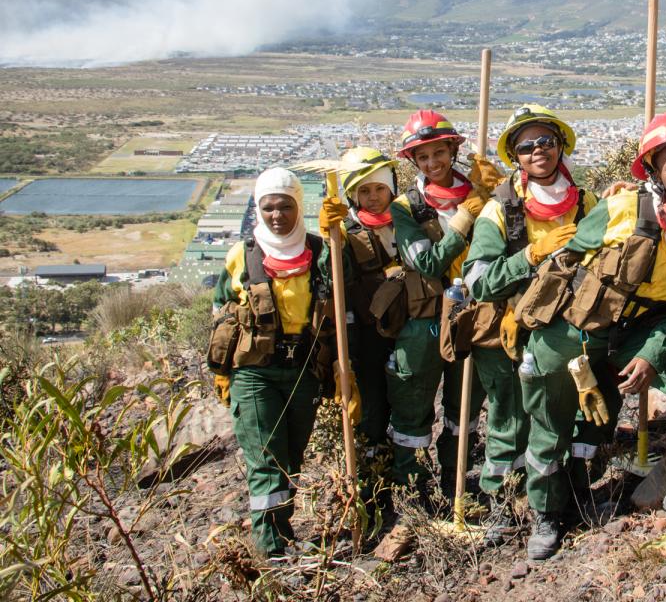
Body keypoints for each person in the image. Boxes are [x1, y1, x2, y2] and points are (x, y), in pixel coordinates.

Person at [515, 111, 666, 560]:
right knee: (553, 426)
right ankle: (549, 513)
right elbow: (566, 263)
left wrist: (652, 354)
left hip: (637, 334)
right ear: (654, 172)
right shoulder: (622, 207)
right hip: (574, 328)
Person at [462, 104, 601, 546]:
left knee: (578, 419)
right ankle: (503, 510)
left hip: (578, 328)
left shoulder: (586, 201)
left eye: (546, 141)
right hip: (516, 332)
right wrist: (529, 257)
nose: (538, 150)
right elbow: (478, 281)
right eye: (526, 145)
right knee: (512, 424)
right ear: (515, 157)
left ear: (560, 146)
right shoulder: (501, 210)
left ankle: (574, 497)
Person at [207, 167, 348, 556]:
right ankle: (270, 549)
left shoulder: (321, 252)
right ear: (258, 209)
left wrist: (341, 235)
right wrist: (221, 373)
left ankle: (283, 534)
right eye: (268, 207)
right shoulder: (243, 255)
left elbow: (341, 289)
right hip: (254, 375)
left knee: (291, 457)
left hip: (303, 373)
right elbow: (221, 314)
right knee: (267, 459)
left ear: (298, 207)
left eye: (285, 206)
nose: (276, 215)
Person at [372, 110, 490, 503]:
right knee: (413, 407)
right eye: (422, 157)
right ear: (413, 162)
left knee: (465, 408)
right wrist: (463, 220)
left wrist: (496, 196)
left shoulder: (480, 191)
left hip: (473, 316)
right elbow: (427, 263)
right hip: (423, 324)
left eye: (438, 152)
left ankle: (456, 485)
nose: (432, 163)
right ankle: (411, 493)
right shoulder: (406, 207)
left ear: (452, 149)